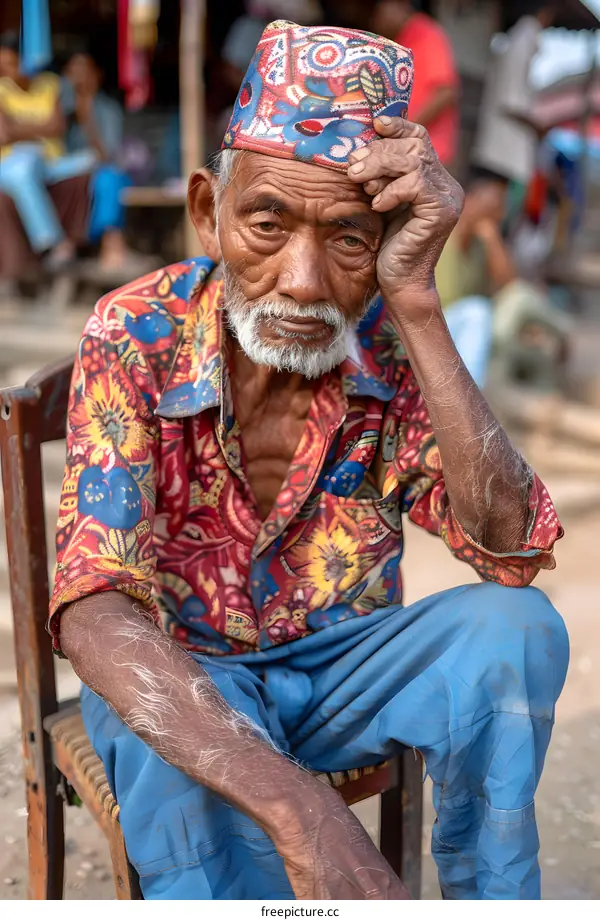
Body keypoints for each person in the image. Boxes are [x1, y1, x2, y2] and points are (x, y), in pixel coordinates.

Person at [50, 22, 568, 901]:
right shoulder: (137, 331)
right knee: (162, 723)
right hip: (188, 677)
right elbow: (95, 612)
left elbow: (509, 545)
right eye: (267, 222)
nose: (303, 279)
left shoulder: (394, 343)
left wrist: (417, 304)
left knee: (515, 630)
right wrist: (308, 812)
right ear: (207, 210)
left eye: (350, 239)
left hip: (339, 673)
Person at [0, 32, 94, 270]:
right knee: (24, 166)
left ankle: (89, 244)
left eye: (11, 63)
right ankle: (51, 241)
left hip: (50, 164)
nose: (7, 69)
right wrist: (41, 129)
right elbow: (4, 134)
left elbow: (58, 127)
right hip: (11, 165)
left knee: (90, 161)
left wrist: (19, 128)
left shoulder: (51, 84)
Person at [471, 3, 558, 196]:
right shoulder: (524, 38)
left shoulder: (520, 40)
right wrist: (536, 126)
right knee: (484, 208)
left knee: (489, 214)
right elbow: (510, 100)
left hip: (502, 152)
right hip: (502, 152)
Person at [436, 178, 515, 388]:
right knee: (478, 312)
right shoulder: (443, 230)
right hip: (431, 322)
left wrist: (492, 240)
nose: (495, 218)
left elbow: (511, 287)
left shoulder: (480, 247)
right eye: (490, 210)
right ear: (470, 202)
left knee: (483, 312)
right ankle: (471, 392)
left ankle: (468, 388)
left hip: (455, 327)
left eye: (497, 213)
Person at [62, 51, 133, 274]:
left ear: (97, 75)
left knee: (108, 180)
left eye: (84, 71)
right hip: (67, 173)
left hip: (101, 171)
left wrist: (87, 118)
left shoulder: (108, 109)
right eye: (73, 72)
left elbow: (106, 156)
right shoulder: (59, 109)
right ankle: (64, 247)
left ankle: (111, 244)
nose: (79, 78)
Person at [371, 1, 459, 167]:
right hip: (407, 149)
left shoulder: (426, 33)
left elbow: (445, 91)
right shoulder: (400, 38)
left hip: (428, 151)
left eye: (378, 10)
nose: (375, 19)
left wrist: (403, 128)